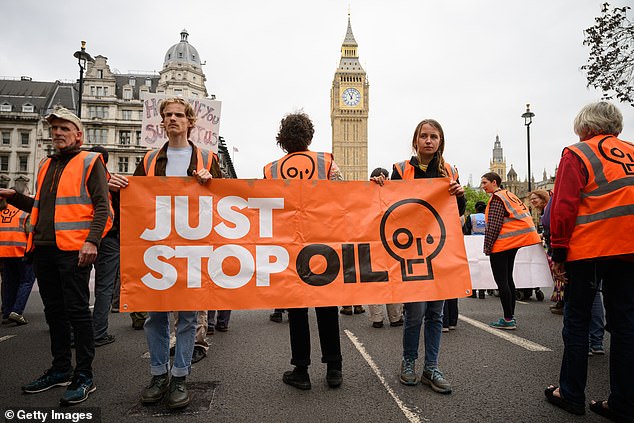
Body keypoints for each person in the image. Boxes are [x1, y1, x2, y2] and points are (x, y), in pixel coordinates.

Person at [109, 98, 221, 409]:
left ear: (189, 121)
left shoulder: (207, 158)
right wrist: (116, 184)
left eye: (178, 115)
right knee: (155, 316)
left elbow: (227, 201)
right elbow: (132, 199)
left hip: (192, 246)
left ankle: (180, 377)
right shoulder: (148, 160)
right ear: (162, 121)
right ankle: (159, 375)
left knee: (187, 316)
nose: (172, 119)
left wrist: (211, 183)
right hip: (156, 246)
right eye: (167, 115)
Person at [0, 107, 112, 405]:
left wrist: (92, 241)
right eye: (55, 129)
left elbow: (103, 207)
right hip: (44, 248)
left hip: (74, 250)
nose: (58, 133)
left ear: (78, 134)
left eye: (64, 128)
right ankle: (61, 368)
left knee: (76, 312)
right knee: (54, 312)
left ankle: (84, 375)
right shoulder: (46, 164)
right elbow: (43, 206)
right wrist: (15, 197)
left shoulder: (91, 161)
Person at [544, 101, 634, 422]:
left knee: (578, 319)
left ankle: (571, 393)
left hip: (590, 249)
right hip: (630, 250)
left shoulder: (578, 153)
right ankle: (623, 402)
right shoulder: (631, 151)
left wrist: (558, 254)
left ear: (585, 127)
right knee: (625, 327)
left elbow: (563, 208)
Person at [374, 118, 465, 394]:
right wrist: (378, 184)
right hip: (411, 251)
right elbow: (386, 205)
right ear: (415, 141)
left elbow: (456, 210)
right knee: (415, 313)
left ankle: (431, 367)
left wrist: (459, 194)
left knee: (436, 314)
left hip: (440, 250)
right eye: (424, 136)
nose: (428, 140)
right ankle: (409, 362)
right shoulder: (400, 170)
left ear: (441, 141)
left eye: (434, 136)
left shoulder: (449, 170)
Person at [263, 112, 343, 391]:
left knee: (297, 309)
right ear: (309, 137)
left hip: (291, 247)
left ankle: (301, 370)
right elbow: (344, 196)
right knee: (327, 306)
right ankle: (334, 368)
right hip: (323, 244)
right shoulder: (326, 162)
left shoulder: (271, 169)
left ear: (282, 140)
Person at [481, 172, 541, 330]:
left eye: (484, 182)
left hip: (502, 244)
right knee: (508, 279)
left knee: (502, 281)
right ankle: (510, 317)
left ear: (494, 182)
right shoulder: (509, 195)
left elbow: (494, 225)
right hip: (513, 243)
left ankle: (508, 319)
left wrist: (487, 247)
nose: (482, 186)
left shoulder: (497, 198)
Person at [87, 146, 118, 347]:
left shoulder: (80, 181)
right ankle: (98, 332)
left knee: (78, 286)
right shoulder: (114, 181)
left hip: (83, 236)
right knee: (105, 287)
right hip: (109, 238)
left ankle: (75, 331)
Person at [366, 167, 404, 329]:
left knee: (374, 281)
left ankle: (377, 318)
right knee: (394, 280)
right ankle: (395, 317)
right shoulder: (395, 194)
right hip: (392, 243)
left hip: (370, 245)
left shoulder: (364, 195)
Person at [0, 186, 35, 325]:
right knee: (26, 281)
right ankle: (17, 311)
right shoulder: (24, 212)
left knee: (10, 282)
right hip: (22, 250)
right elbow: (30, 231)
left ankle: (7, 311)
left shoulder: (2, 209)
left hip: (5, 252)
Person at [464, 201, 487, 299]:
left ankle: (473, 292)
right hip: (485, 243)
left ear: (476, 208)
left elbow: (466, 230)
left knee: (473, 267)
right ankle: (482, 292)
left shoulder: (471, 217)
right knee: (483, 267)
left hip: (473, 243)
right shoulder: (488, 216)